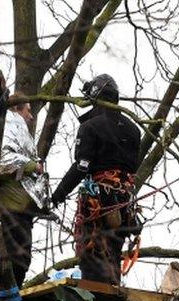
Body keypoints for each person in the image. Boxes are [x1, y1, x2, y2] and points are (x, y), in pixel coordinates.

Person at [50, 74, 141, 285]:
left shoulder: (91, 127)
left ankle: (94, 300)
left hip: (99, 201)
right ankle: (111, 292)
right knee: (113, 251)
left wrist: (57, 195)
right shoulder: (133, 129)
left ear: (94, 96)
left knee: (92, 250)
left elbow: (82, 166)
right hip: (124, 201)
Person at [0, 91, 46, 286]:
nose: (31, 116)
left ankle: (11, 287)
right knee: (18, 254)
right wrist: (32, 166)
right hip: (13, 200)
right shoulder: (10, 124)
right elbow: (3, 159)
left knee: (21, 253)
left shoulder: (15, 128)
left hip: (20, 201)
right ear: (17, 109)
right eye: (28, 111)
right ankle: (10, 290)